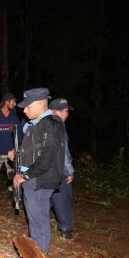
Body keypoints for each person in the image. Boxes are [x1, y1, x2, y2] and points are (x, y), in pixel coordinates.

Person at [9, 88, 65, 253]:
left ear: (40, 104)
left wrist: (25, 175)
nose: (24, 110)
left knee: (38, 220)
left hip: (39, 179)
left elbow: (47, 157)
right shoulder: (36, 124)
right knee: (34, 220)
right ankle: (37, 257)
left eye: (27, 106)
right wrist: (18, 154)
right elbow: (35, 151)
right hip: (32, 179)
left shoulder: (52, 123)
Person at [0, 92, 22, 202]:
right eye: (13, 101)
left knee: (14, 174)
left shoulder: (14, 117)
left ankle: (15, 194)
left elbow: (19, 133)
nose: (15, 104)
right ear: (7, 102)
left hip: (11, 152)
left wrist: (17, 148)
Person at [49, 98, 75, 240]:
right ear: (52, 111)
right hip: (58, 171)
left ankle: (39, 227)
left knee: (45, 199)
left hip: (44, 172)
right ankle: (66, 230)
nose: (65, 114)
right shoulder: (57, 126)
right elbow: (63, 152)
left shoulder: (43, 123)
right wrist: (69, 171)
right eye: (61, 111)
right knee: (63, 198)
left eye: (66, 111)